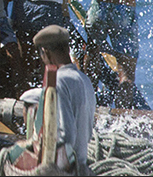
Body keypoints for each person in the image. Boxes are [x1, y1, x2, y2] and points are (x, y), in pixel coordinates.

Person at [19, 25, 96, 175]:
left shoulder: (59, 81)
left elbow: (67, 135)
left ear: (46, 52)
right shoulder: (85, 80)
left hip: (65, 169)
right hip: (82, 163)